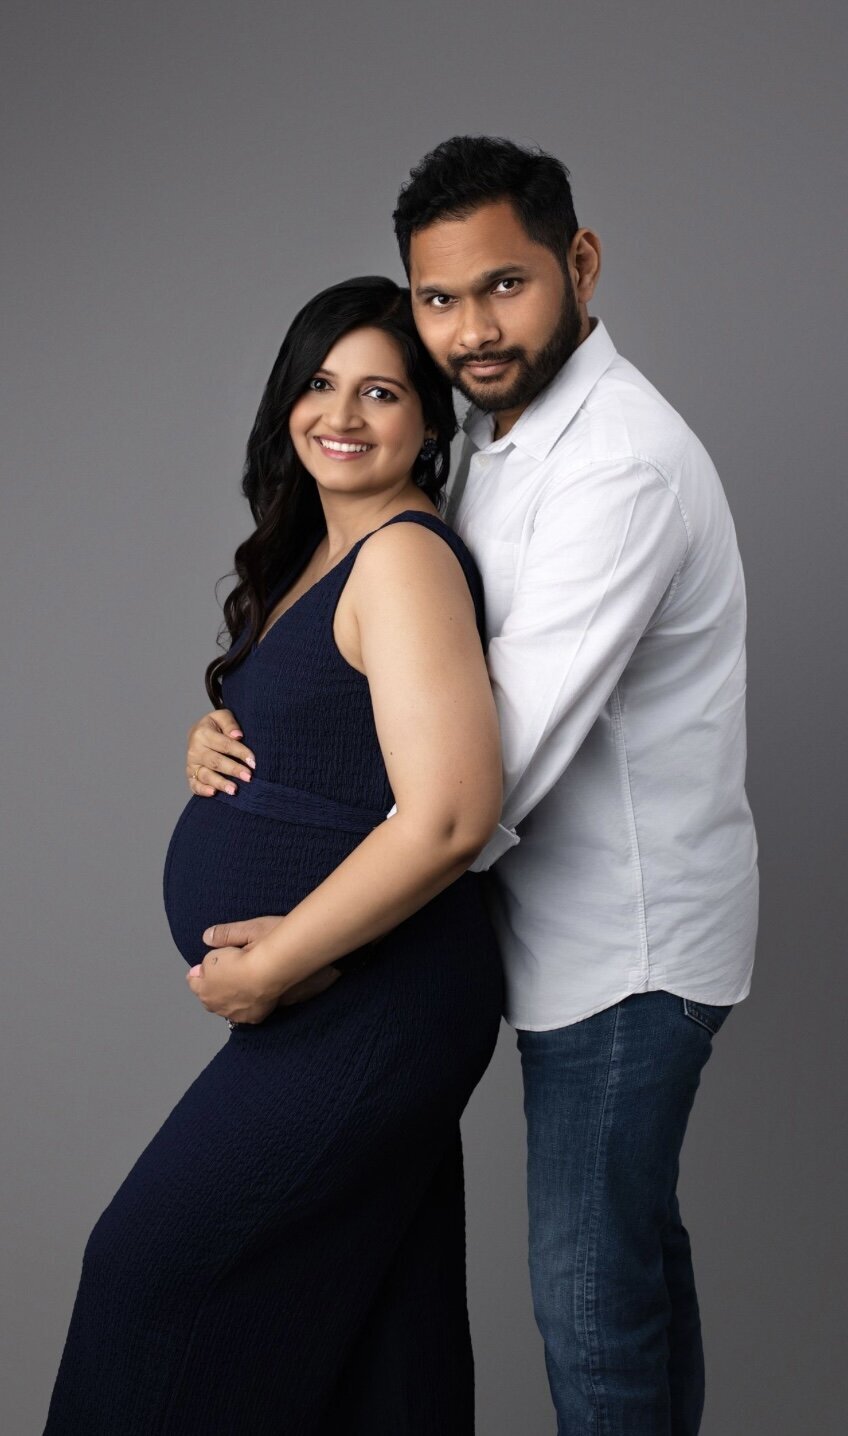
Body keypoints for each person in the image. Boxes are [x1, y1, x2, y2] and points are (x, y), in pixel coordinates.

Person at [197, 137, 760, 1434]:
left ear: (580, 262)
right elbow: (397, 680)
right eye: (439, 300)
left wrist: (294, 944)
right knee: (634, 1277)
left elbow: (477, 783)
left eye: (503, 286)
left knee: (590, 1304)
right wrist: (238, 734)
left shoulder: (613, 465)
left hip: (620, 952)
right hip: (559, 941)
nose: (469, 330)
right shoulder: (504, 447)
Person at [44, 276, 505, 1435]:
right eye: (317, 381)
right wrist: (215, 731)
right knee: (375, 1352)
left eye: (381, 389)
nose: (339, 412)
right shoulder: (316, 556)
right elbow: (335, 741)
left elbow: (449, 812)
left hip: (368, 999)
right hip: (345, 1002)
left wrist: (273, 956)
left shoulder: (403, 556)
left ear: (430, 422)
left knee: (148, 1278)